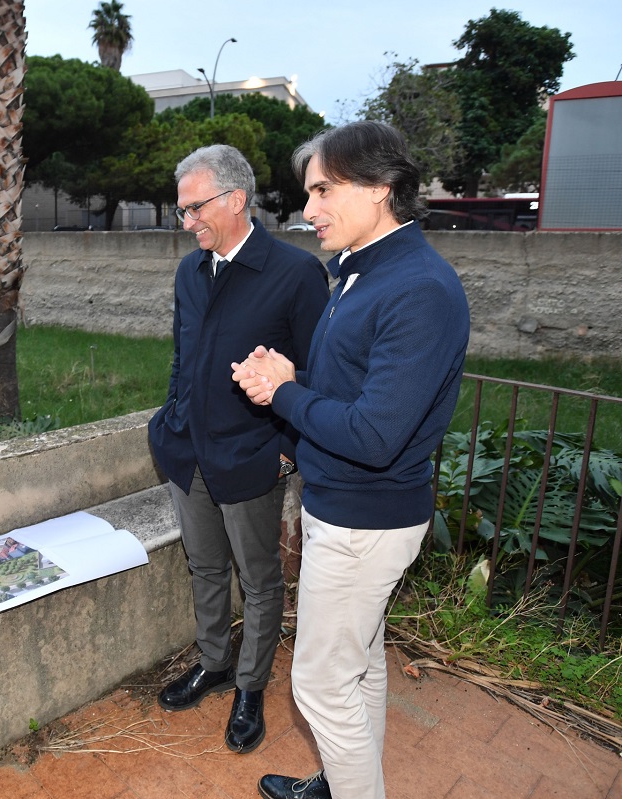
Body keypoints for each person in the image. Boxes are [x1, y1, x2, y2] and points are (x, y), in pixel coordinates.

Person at [231, 121, 470, 799]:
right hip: (346, 508)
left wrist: (285, 393)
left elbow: (373, 433)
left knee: (319, 681)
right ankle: (342, 782)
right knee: (359, 662)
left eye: (323, 190)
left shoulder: (417, 287)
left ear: (382, 188)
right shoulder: (365, 271)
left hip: (366, 519)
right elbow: (356, 389)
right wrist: (293, 377)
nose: (308, 210)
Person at [147, 144, 329, 753]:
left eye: (195, 209)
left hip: (253, 456)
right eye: (182, 211)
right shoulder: (189, 272)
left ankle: (250, 687)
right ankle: (214, 663)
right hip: (187, 453)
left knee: (258, 579)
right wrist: (170, 420)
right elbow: (182, 357)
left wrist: (286, 452)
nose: (187, 222)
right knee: (204, 566)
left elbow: (316, 376)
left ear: (236, 200)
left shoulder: (296, 274)